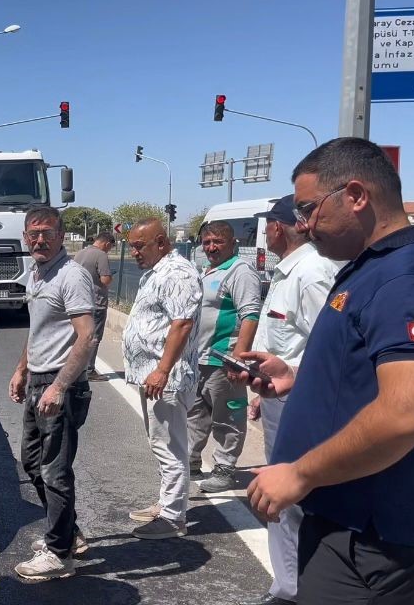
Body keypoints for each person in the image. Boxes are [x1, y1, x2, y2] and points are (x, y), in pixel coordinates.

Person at [239, 138, 414, 604]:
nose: (303, 225)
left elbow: (408, 411)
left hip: (375, 538)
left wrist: (299, 474)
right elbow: (365, 371)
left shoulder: (401, 277)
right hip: (344, 519)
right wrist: (295, 377)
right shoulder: (367, 268)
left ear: (356, 195)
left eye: (308, 209)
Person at [233, 194, 338, 605]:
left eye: (267, 226)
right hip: (277, 398)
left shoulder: (310, 273)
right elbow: (281, 337)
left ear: (278, 227)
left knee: (291, 500)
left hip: (300, 403)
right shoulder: (288, 271)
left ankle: (294, 591)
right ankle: (288, 586)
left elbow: (327, 345)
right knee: (284, 503)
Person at [8, 206, 97, 581]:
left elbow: (87, 334)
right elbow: (39, 329)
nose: (39, 240)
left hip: (59, 385)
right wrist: (21, 368)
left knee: (55, 471)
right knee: (32, 463)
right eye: (33, 233)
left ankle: (59, 553)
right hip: (37, 380)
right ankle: (69, 532)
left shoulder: (71, 276)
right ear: (25, 236)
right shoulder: (37, 273)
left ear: (61, 236)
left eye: (47, 233)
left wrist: (60, 386)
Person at [122, 218, 203, 539]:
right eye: (131, 246)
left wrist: (162, 369)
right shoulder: (157, 272)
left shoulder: (178, 273)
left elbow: (181, 324)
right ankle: (166, 502)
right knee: (161, 444)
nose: (134, 252)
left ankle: (172, 517)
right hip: (153, 376)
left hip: (166, 378)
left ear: (161, 242)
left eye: (139, 246)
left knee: (170, 447)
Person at [186, 221, 262, 493]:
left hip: (223, 359)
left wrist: (237, 358)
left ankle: (225, 468)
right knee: (195, 414)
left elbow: (250, 314)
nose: (211, 247)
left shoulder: (240, 272)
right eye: (206, 242)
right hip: (200, 359)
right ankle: (191, 462)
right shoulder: (208, 270)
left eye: (217, 241)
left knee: (227, 417)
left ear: (233, 244)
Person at [73, 231, 115, 381]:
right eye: (110, 247)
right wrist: (110, 277)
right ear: (107, 243)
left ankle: (76, 367)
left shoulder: (80, 253)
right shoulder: (101, 255)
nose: (108, 250)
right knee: (94, 337)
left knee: (79, 336)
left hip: (79, 301)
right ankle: (89, 369)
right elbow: (105, 279)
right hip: (96, 302)